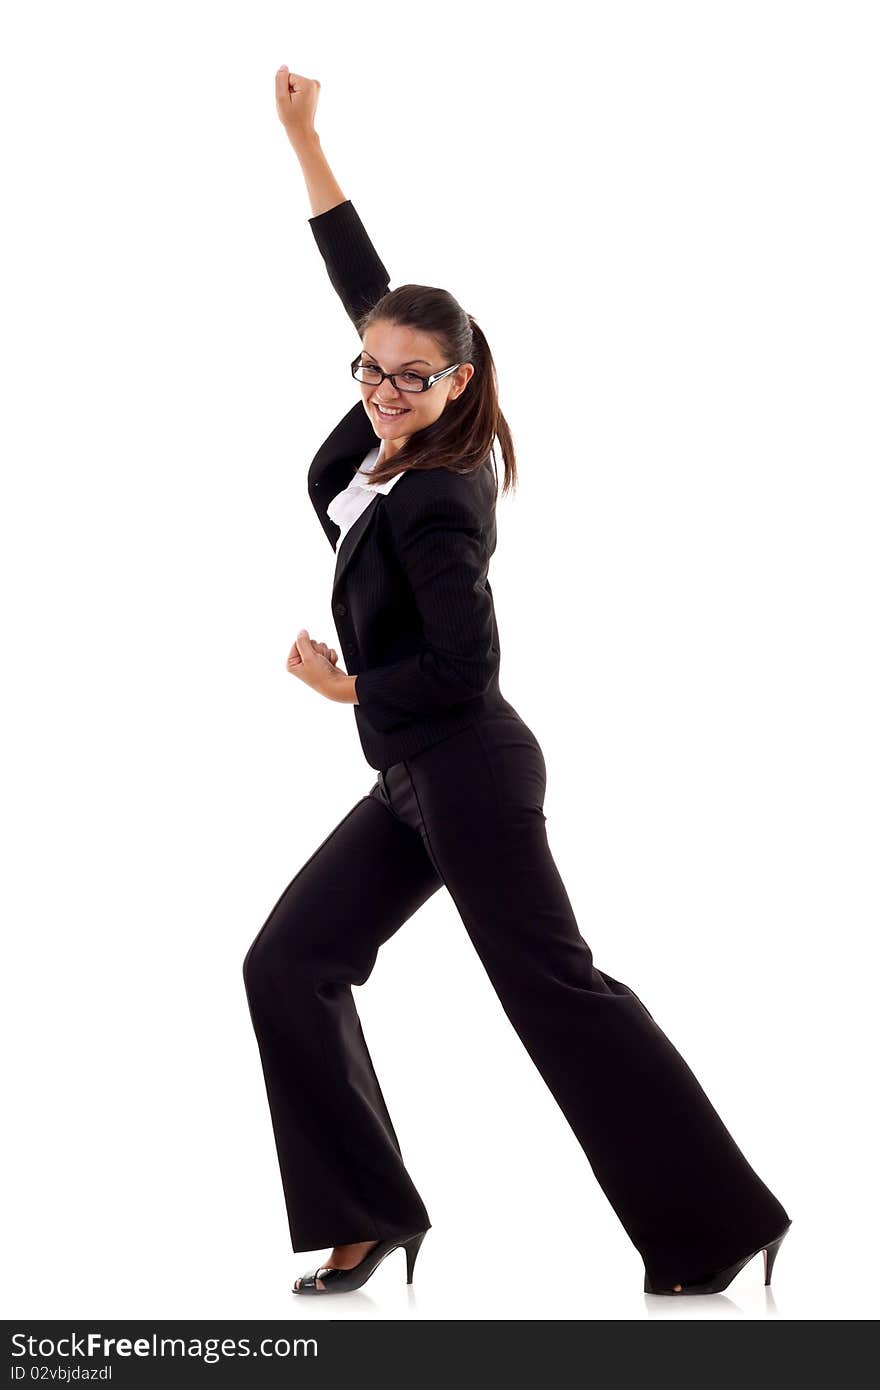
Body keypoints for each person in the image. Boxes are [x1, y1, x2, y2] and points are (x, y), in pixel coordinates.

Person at [242, 66, 792, 1298]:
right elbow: (363, 284)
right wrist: (307, 142)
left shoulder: (439, 499)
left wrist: (347, 690)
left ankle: (720, 1221)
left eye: (411, 377)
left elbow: (464, 667)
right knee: (289, 961)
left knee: (555, 992)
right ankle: (369, 1212)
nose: (383, 391)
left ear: (462, 385)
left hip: (465, 762)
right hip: (411, 773)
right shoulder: (399, 418)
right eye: (370, 370)